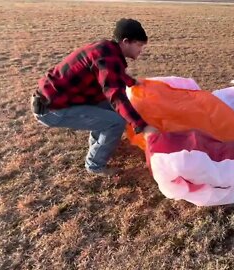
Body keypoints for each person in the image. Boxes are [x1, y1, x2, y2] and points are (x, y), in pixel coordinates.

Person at [31, 18, 149, 176]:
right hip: (52, 109)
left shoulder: (107, 48)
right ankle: (95, 165)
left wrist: (130, 81)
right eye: (139, 45)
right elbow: (115, 94)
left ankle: (99, 146)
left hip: (60, 100)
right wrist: (141, 125)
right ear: (125, 42)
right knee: (117, 121)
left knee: (110, 110)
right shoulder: (108, 58)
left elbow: (110, 74)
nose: (141, 50)